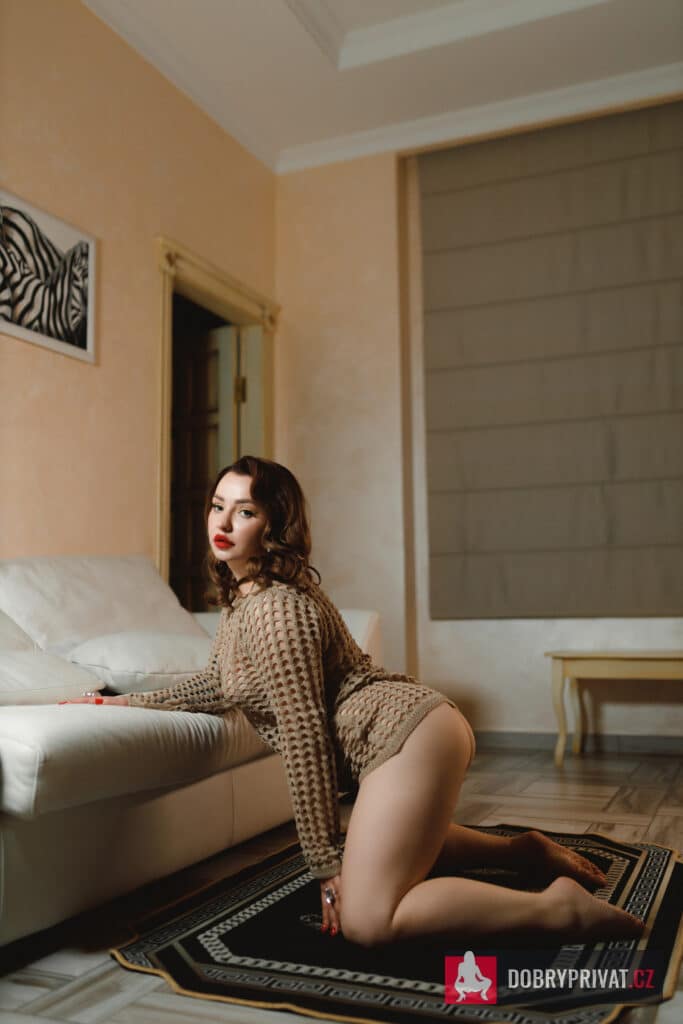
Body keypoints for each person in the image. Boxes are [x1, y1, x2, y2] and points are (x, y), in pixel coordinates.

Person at [65, 456, 645, 947]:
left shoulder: (274, 609)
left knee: (371, 921)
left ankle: (558, 909)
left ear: (273, 524)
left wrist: (323, 863)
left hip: (407, 735)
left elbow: (304, 734)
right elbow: (218, 685)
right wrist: (124, 705)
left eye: (245, 511)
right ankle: (524, 852)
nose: (223, 521)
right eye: (218, 505)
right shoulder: (246, 599)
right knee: (390, 846)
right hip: (417, 730)